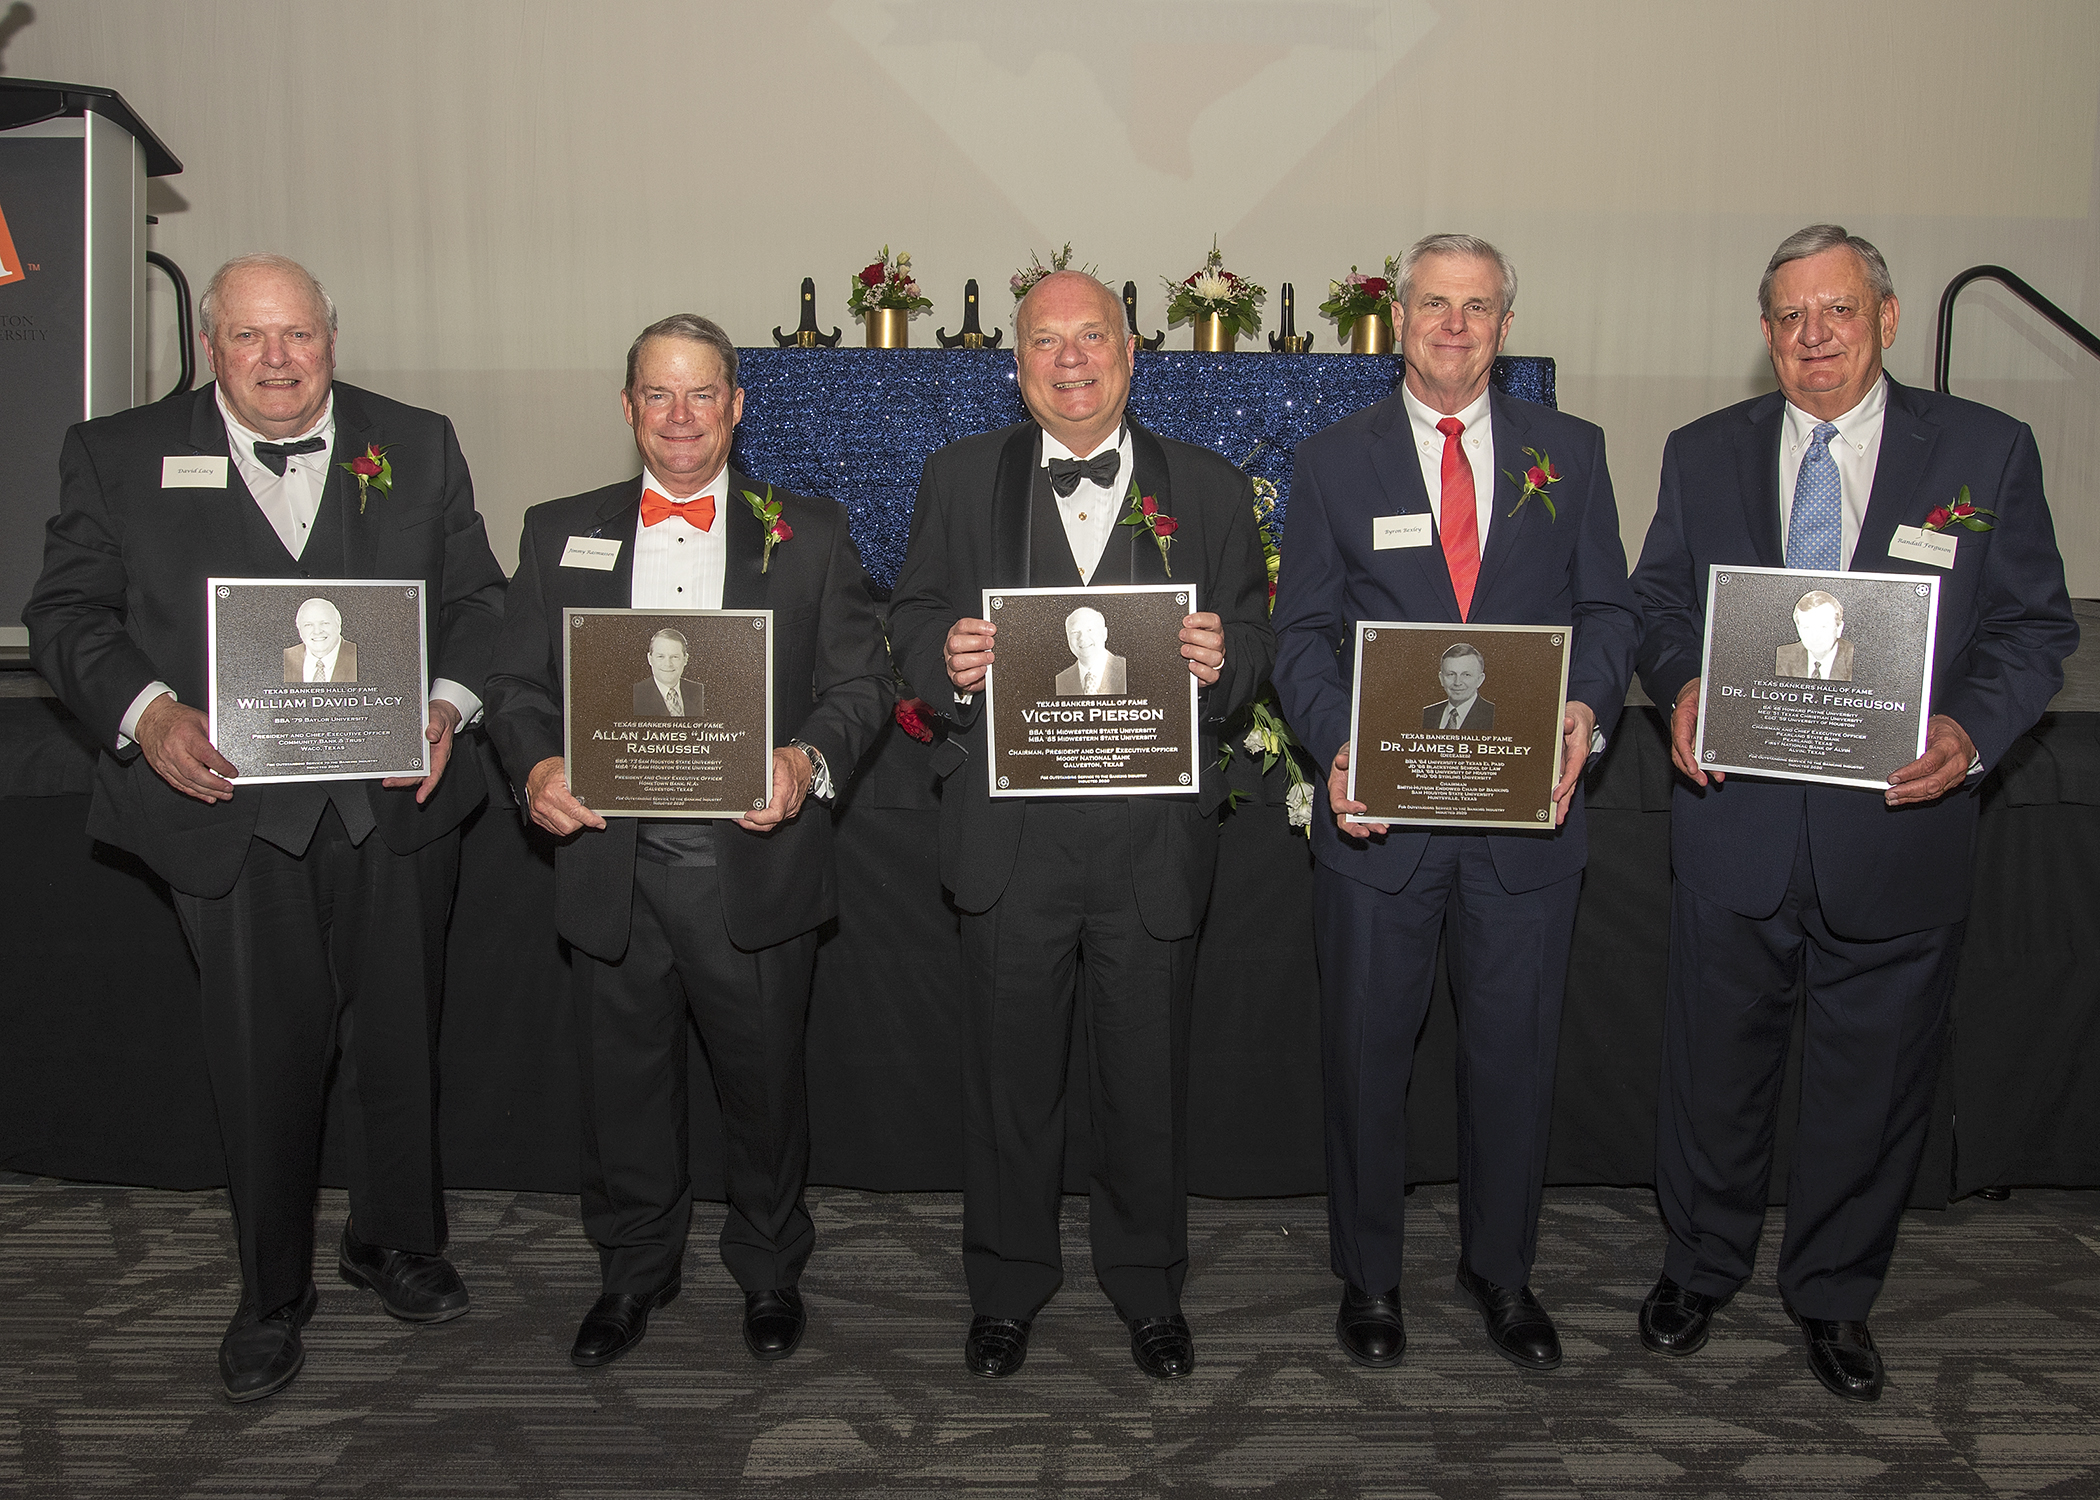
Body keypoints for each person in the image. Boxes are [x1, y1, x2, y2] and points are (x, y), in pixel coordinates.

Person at [23, 253, 506, 1402]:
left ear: (332, 337)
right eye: (251, 338)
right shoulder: (117, 452)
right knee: (260, 1060)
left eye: (298, 335)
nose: (278, 360)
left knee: (401, 1042)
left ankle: (395, 1239)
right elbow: (66, 618)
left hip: (395, 805)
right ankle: (270, 1292)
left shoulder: (417, 440)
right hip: (226, 812)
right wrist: (149, 716)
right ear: (210, 346)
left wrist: (448, 704)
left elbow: (482, 601)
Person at [1629, 224, 2077, 1402]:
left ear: (1886, 315)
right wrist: (1679, 681)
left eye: (1836, 312)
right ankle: (1701, 1267)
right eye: (1789, 317)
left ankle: (1834, 1296)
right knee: (1712, 1075)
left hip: (1899, 829)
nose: (1813, 337)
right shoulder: (1704, 451)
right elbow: (1660, 602)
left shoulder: (1986, 450)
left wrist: (1971, 730)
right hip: (1738, 829)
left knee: (1870, 1088)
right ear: (1765, 333)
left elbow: (2037, 630)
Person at [483, 313, 892, 1370]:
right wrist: (534, 767)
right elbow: (517, 685)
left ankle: (767, 1269)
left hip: (747, 867)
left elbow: (862, 683)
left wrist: (804, 761)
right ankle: (633, 1271)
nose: (678, 417)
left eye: (700, 394)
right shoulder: (553, 531)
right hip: (611, 860)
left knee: (764, 1093)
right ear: (627, 409)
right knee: (622, 1090)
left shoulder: (812, 532)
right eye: (656, 395)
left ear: (737, 407)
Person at [888, 271, 1272, 1381]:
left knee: (1147, 1083)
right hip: (1010, 842)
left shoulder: (1203, 485)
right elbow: (910, 617)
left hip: (1153, 839)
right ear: (1016, 365)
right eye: (1044, 342)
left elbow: (1256, 634)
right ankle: (1006, 1286)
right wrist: (945, 663)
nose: (1070, 359)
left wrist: (1221, 662)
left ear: (1132, 350)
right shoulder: (962, 478)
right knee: (1008, 1083)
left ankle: (1148, 1288)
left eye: (1090, 336)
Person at [1270, 233, 1639, 1374]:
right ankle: (1371, 1279)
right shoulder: (1335, 461)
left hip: (1527, 825)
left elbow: (1611, 614)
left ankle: (1503, 1272)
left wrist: (1584, 708)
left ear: (1504, 327)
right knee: (1367, 1058)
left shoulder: (1571, 451)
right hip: (1382, 824)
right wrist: (1336, 750)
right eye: (1435, 304)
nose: (1454, 326)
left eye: (1477, 308)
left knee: (1514, 1059)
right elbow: (1302, 638)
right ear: (1398, 319)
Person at [1775, 590, 1854, 680]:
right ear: (1799, 629)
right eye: (1806, 627)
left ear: (1839, 628)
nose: (1815, 637)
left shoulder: (1855, 660)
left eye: (1823, 627)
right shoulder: (1781, 657)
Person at [1054, 605, 1127, 695]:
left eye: (1090, 630)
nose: (1083, 638)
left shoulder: (1127, 670)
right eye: (1075, 632)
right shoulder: (1059, 681)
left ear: (1104, 634)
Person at [632, 627, 704, 717]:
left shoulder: (700, 691)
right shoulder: (634, 695)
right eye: (660, 656)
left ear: (685, 659)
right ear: (650, 659)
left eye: (674, 657)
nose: (668, 664)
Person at [283, 596, 357, 682]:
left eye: (324, 623)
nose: (317, 631)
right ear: (299, 628)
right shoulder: (286, 658)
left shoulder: (359, 654)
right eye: (308, 625)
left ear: (338, 623)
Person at [1421, 642, 1494, 729]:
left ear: (1480, 680)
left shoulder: (1493, 715)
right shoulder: (1427, 714)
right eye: (1451, 674)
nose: (1457, 682)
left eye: (1466, 675)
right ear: (1441, 678)